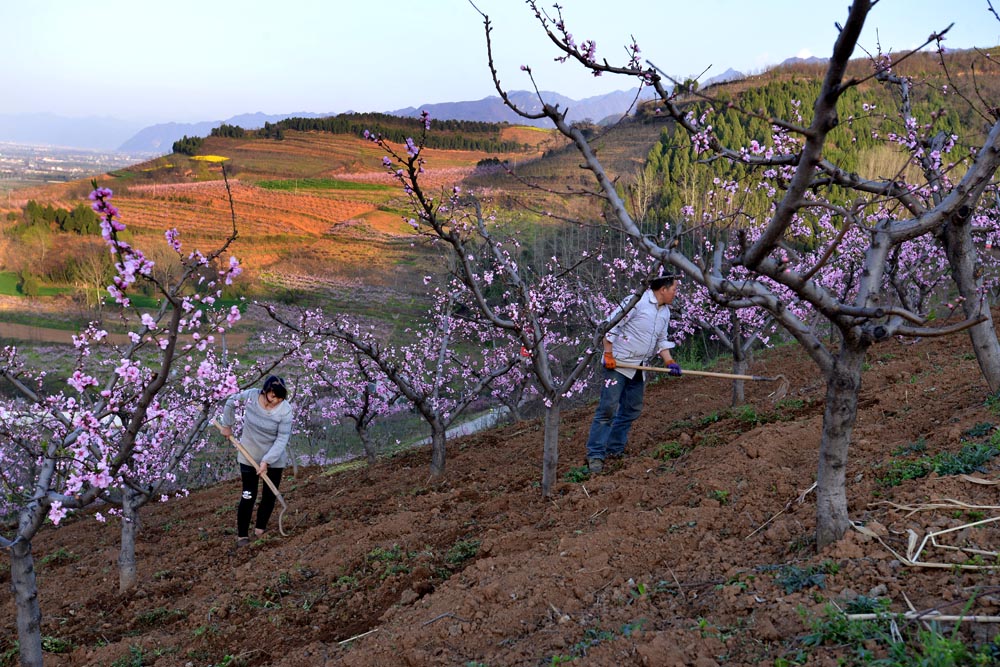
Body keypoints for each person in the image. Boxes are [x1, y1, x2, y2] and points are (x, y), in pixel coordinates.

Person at [585, 274, 681, 474]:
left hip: (638, 366)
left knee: (632, 409)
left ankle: (615, 448)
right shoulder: (636, 302)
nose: (675, 293)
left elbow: (661, 340)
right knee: (608, 409)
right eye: (674, 289)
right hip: (618, 363)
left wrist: (669, 361)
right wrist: (608, 353)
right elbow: (611, 326)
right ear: (663, 289)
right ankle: (595, 454)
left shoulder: (665, 312)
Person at [217, 375, 293, 546]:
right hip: (248, 455)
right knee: (248, 494)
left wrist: (267, 461)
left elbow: (282, 439)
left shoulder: (285, 410)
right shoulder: (251, 396)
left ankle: (260, 528)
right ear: (266, 391)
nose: (275, 401)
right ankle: (242, 535)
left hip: (274, 458)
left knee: (268, 495)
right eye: (273, 396)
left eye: (279, 398)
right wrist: (227, 425)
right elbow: (231, 402)